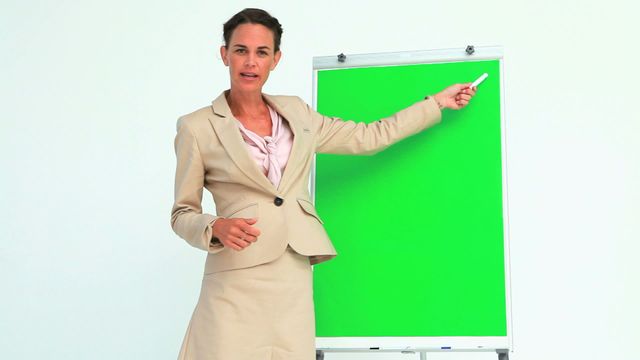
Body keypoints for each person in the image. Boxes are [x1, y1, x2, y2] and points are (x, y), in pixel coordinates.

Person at [170, 8, 476, 360]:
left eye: (262, 52)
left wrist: (435, 103)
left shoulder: (297, 113)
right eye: (240, 50)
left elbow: (368, 137)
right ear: (224, 54)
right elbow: (182, 213)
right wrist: (215, 226)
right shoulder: (196, 126)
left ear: (276, 59)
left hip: (292, 276)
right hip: (235, 280)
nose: (250, 62)